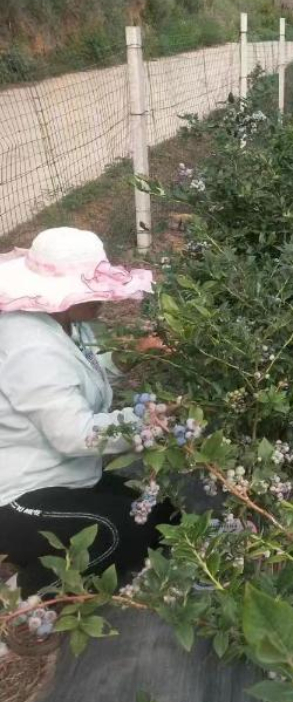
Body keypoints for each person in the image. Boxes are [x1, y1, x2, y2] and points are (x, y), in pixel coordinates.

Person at [0, 227, 169, 595]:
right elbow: (75, 434)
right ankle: (22, 599)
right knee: (112, 535)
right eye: (91, 287)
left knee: (162, 518)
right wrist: (153, 422)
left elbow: (75, 378)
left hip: (65, 477)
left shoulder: (61, 324)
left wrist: (128, 357)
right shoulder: (31, 346)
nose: (103, 297)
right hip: (18, 494)